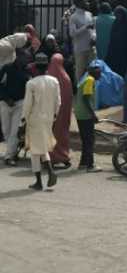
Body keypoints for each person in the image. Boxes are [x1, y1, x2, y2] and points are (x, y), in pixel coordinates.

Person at [21, 53, 61, 191]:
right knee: (42, 147)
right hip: (48, 119)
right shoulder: (54, 81)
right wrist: (54, 116)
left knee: (34, 151)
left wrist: (22, 121)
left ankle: (39, 181)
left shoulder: (31, 83)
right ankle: (50, 173)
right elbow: (58, 102)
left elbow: (27, 105)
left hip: (35, 120)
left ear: (36, 68)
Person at [0, 50, 28, 166]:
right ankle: (11, 152)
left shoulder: (26, 71)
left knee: (14, 131)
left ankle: (9, 156)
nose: (26, 60)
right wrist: (6, 98)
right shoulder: (6, 68)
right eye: (24, 57)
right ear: (18, 57)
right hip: (5, 103)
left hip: (19, 104)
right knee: (6, 130)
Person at [74, 63, 102, 171]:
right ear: (93, 73)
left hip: (80, 113)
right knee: (89, 140)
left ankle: (83, 163)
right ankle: (90, 165)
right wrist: (93, 114)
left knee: (85, 139)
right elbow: (86, 97)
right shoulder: (90, 80)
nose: (100, 74)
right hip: (85, 114)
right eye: (99, 72)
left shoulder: (86, 79)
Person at [46, 53, 73, 169]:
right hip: (63, 113)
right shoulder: (66, 78)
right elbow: (69, 97)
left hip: (50, 112)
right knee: (62, 134)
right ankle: (63, 156)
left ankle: (50, 157)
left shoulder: (47, 77)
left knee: (50, 133)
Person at [69, 0, 95, 81]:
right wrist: (85, 27)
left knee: (93, 71)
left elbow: (93, 29)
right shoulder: (74, 17)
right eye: (85, 1)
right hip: (80, 49)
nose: (88, 2)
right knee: (80, 72)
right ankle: (79, 91)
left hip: (91, 47)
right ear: (79, 3)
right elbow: (72, 33)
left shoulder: (89, 14)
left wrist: (94, 37)